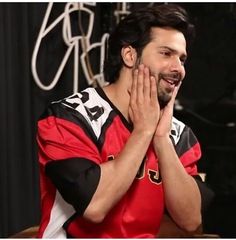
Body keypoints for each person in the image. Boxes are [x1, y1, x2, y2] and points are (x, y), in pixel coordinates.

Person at [37, 4, 211, 238]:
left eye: (182, 59)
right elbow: (95, 206)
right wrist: (144, 131)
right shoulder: (68, 117)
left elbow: (191, 221)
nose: (178, 69)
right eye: (166, 53)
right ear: (130, 55)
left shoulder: (179, 135)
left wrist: (161, 138)